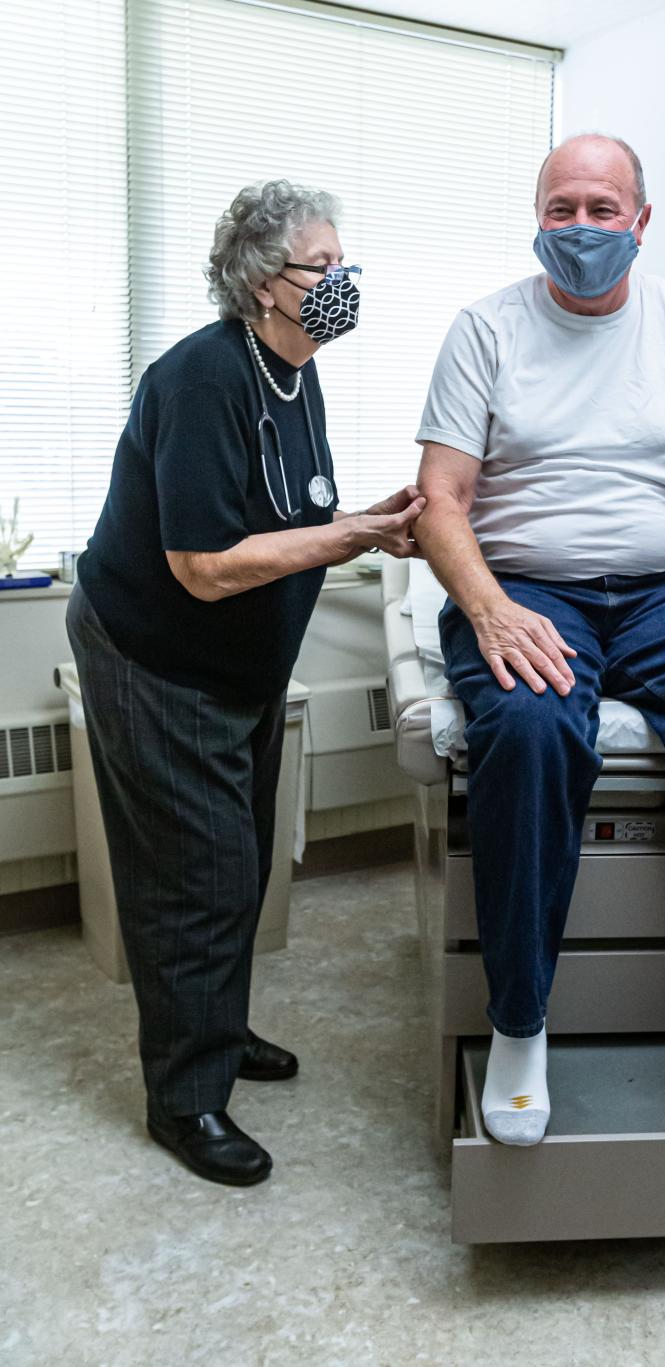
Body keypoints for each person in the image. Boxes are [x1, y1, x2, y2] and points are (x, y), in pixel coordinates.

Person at [413, 134, 665, 1153]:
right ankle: (519, 1022)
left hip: (659, 592)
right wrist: (492, 609)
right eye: (561, 209)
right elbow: (440, 500)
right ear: (536, 218)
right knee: (535, 724)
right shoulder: (487, 329)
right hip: (523, 587)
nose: (581, 229)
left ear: (640, 220)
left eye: (602, 209)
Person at [68, 179, 424, 1186]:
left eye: (344, 263)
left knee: (242, 857)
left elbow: (286, 511)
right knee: (198, 876)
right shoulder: (200, 380)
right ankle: (184, 1098)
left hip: (236, 670)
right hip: (156, 658)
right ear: (267, 282)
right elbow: (203, 562)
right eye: (325, 266)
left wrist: (364, 515)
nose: (342, 282)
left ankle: (215, 1030)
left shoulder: (293, 370)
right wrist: (357, 531)